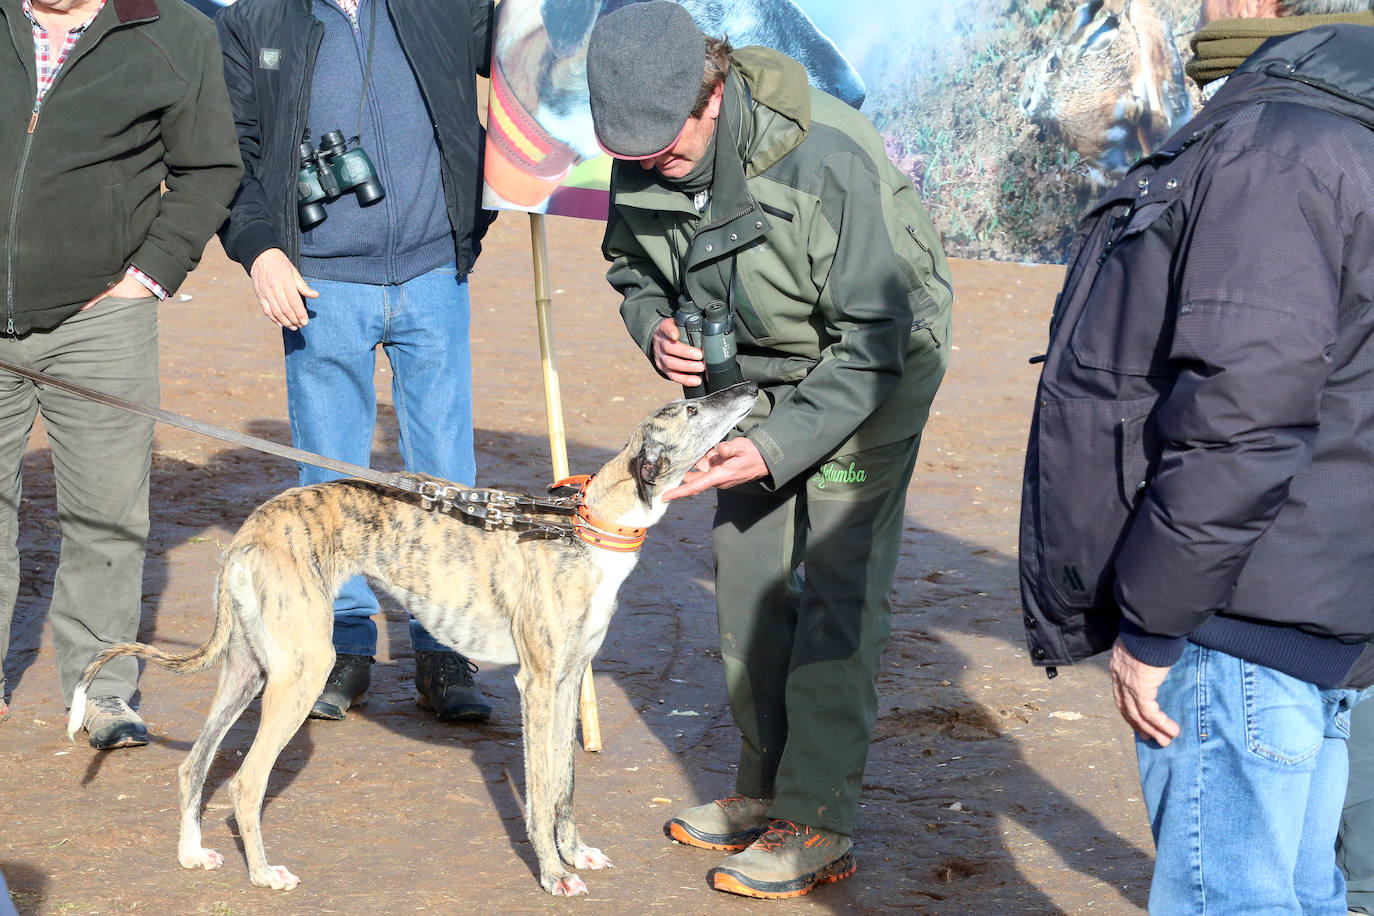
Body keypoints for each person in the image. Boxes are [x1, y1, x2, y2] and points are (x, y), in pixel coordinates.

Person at [586, 2, 952, 899]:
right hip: (743, 375)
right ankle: (766, 789)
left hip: (875, 366)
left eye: (666, 154)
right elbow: (633, 268)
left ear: (712, 95)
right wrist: (654, 328)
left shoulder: (830, 157)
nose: (648, 171)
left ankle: (817, 816)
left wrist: (780, 445)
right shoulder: (646, 144)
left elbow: (876, 340)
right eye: (633, 160)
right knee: (747, 571)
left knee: (831, 585)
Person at [1018, 0, 1374, 911]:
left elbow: (1242, 415)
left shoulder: (1276, 150)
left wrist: (1155, 621)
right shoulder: (1343, 139)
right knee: (1301, 891)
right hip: (1319, 598)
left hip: (1242, 612)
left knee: (1232, 898)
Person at [215, 0, 497, 722]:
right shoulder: (255, 22)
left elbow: (523, 59)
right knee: (331, 480)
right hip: (321, 281)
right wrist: (260, 250)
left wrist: (480, 212)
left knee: (445, 477)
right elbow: (231, 154)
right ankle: (345, 647)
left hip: (435, 273)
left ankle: (444, 650)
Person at [0, 0, 241, 747]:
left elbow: (209, 168)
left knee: (107, 516)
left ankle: (101, 689)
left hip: (102, 319)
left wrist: (151, 275)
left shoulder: (175, 32)